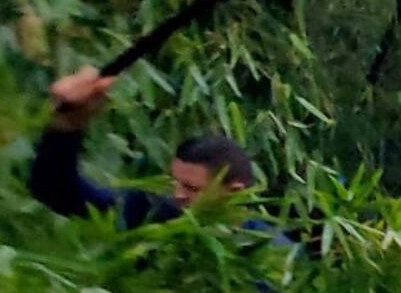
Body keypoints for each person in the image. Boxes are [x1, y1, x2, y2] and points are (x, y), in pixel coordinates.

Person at [28, 65, 288, 244]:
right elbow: (58, 192)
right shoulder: (151, 214)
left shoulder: (274, 256)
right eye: (175, 182)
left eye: (191, 188)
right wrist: (66, 126)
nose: (177, 194)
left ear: (234, 192)